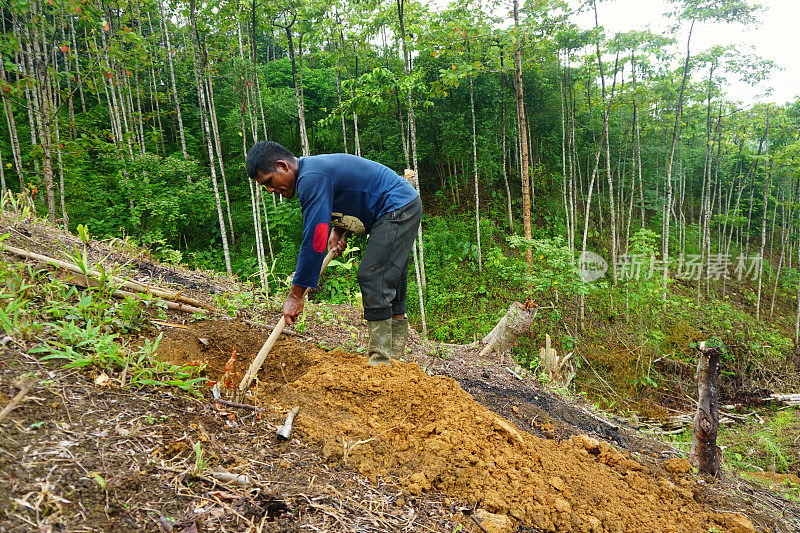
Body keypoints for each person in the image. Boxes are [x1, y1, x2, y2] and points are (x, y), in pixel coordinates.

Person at [245, 141, 422, 366]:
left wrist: (295, 294)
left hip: (397, 205)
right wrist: (339, 229)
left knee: (373, 276)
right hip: (395, 205)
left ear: (283, 166)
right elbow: (350, 195)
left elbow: (314, 239)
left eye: (269, 181)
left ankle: (382, 363)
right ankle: (395, 361)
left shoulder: (311, 177)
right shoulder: (312, 173)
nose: (270, 190)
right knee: (390, 276)